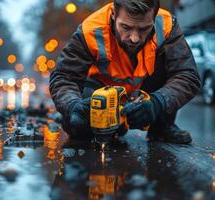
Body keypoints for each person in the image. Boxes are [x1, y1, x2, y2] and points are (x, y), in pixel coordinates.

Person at [49, 0, 201, 144]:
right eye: (126, 28)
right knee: (78, 124)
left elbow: (188, 76)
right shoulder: (91, 30)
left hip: (148, 91)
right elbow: (64, 77)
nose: (134, 38)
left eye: (143, 29)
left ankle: (161, 126)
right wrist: (72, 105)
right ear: (113, 14)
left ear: (154, 17)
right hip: (100, 90)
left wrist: (157, 103)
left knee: (170, 73)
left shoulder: (167, 25)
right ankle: (110, 127)